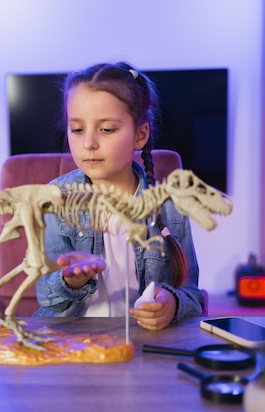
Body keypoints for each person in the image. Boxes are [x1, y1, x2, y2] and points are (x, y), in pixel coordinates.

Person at [33, 62, 204, 330]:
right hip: (68, 347)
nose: (88, 143)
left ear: (140, 134)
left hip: (141, 346)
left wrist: (172, 304)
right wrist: (70, 280)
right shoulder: (55, 200)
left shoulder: (171, 207)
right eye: (77, 129)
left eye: (106, 129)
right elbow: (46, 297)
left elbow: (192, 296)